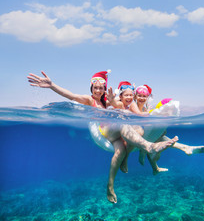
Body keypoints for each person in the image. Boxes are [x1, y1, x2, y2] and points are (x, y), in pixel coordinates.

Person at [27, 72, 177, 204]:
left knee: (122, 149)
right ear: (91, 89)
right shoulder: (88, 99)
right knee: (124, 126)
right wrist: (52, 85)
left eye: (100, 88)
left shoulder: (106, 101)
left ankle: (110, 186)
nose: (98, 90)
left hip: (114, 132)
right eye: (95, 88)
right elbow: (70, 95)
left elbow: (117, 104)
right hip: (103, 131)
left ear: (104, 89)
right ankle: (149, 147)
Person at [132, 84, 204, 174]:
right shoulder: (133, 105)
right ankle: (184, 148)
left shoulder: (146, 107)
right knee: (156, 140)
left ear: (147, 97)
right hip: (136, 136)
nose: (142, 98)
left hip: (146, 136)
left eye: (144, 96)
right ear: (135, 96)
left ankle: (155, 166)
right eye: (139, 96)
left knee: (158, 137)